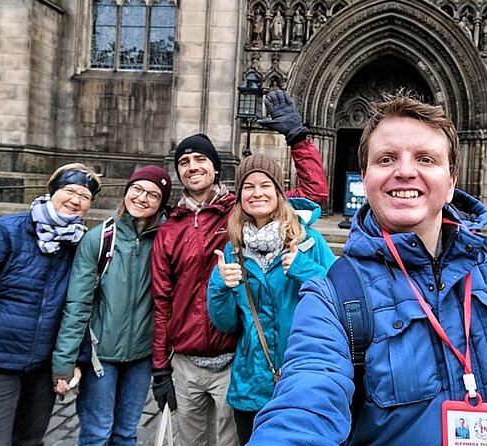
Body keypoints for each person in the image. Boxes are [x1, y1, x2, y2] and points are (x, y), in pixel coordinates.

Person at [247, 93, 487, 445]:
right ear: (365, 176)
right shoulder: (333, 296)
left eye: (426, 158)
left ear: (452, 180)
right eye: (386, 159)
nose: (405, 171)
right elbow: (304, 404)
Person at [151, 88, 328, 446]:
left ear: (216, 168)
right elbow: (162, 298)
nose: (192, 168)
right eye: (183, 162)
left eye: (200, 159)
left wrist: (298, 138)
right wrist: (160, 366)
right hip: (190, 357)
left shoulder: (240, 208)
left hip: (237, 357)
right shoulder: (170, 225)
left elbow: (314, 193)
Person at [208, 154, 337, 445]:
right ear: (239, 196)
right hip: (251, 383)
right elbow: (226, 323)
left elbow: (339, 297)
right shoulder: (233, 249)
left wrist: (306, 270)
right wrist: (219, 286)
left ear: (279, 192)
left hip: (301, 377)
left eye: (265, 185)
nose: (257, 193)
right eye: (248, 187)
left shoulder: (309, 241)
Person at [0, 163, 101, 446]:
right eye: (69, 190)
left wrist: (75, 362)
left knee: (30, 440)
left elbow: (80, 308)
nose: (76, 200)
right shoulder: (7, 231)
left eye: (85, 196)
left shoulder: (79, 246)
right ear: (53, 191)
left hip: (42, 368)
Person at [52, 166, 172, 445]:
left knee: (127, 433)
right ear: (127, 190)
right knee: (97, 433)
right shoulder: (99, 238)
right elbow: (78, 304)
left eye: (153, 194)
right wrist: (64, 363)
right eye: (138, 189)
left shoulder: (165, 239)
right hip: (100, 356)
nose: (143, 198)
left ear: (161, 202)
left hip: (142, 356)